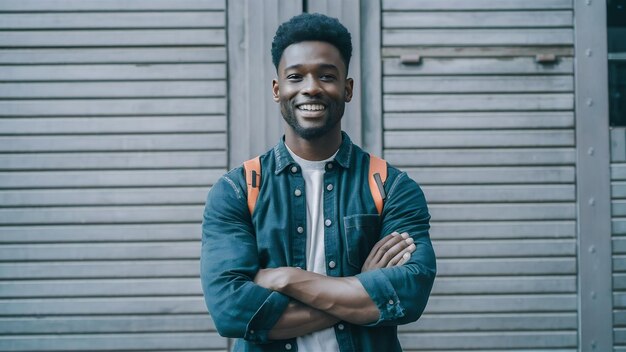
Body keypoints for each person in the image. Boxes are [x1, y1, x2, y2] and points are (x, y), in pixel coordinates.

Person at [201, 13, 436, 352]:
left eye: (326, 76)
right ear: (277, 89)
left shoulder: (391, 187)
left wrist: (286, 278)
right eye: (296, 76)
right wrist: (359, 288)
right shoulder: (238, 190)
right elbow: (231, 313)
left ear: (348, 88)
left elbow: (408, 295)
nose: (311, 87)